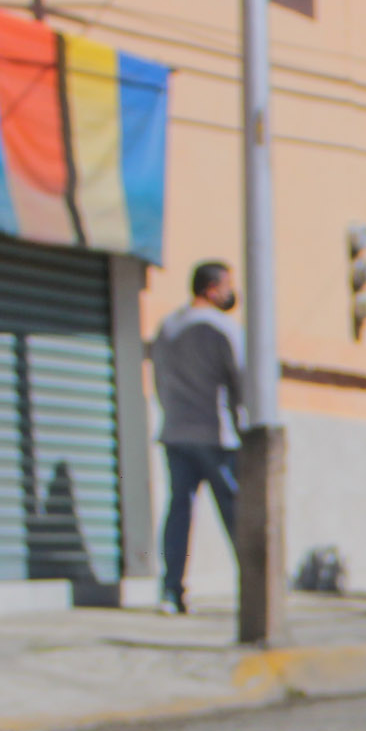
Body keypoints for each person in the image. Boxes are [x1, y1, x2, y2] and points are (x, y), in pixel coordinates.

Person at [151, 261, 244, 615]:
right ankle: (255, 588)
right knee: (237, 512)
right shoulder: (222, 327)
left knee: (179, 511)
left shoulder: (168, 326)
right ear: (212, 289)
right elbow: (243, 378)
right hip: (216, 436)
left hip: (175, 432)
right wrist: (245, 424)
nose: (230, 293)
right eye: (227, 286)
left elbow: (158, 378)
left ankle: (171, 591)